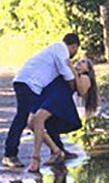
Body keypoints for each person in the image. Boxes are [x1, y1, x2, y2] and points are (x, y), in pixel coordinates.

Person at [3, 34, 80, 169]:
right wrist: (75, 86)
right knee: (23, 118)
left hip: (30, 84)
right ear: (74, 46)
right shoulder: (60, 49)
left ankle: (58, 150)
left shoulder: (56, 49)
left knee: (46, 116)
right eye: (76, 50)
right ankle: (9, 155)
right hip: (27, 84)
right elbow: (66, 73)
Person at [27, 58, 100, 173]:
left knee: (38, 119)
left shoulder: (85, 77)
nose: (79, 63)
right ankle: (56, 150)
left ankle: (36, 158)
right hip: (49, 96)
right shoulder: (69, 71)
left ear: (88, 69)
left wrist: (74, 71)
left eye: (83, 62)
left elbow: (81, 92)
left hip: (59, 101)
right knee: (32, 123)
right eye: (78, 61)